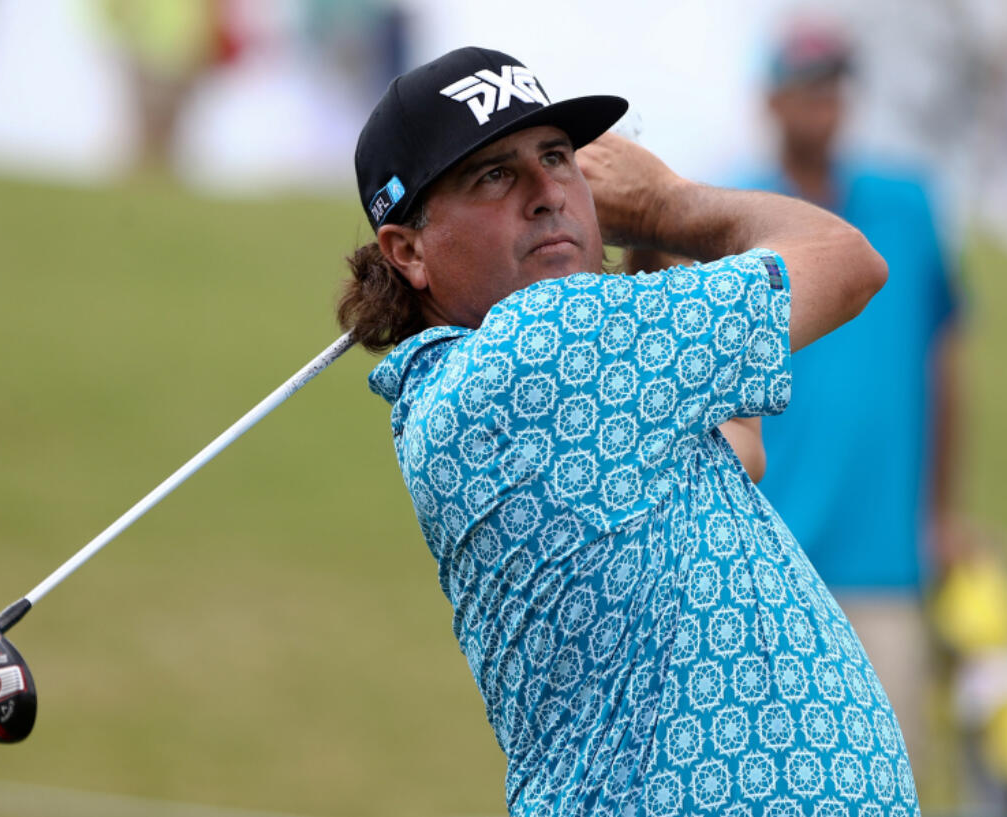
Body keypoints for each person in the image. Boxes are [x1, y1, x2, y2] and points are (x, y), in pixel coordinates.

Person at [339, 46, 915, 816]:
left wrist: (650, 257)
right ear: (408, 250)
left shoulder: (483, 382)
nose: (548, 192)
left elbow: (739, 447)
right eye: (495, 175)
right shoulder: (541, 344)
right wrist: (664, 205)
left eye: (557, 157)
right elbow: (845, 261)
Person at [732, 19, 964, 792]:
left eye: (831, 86)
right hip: (767, 554)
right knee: (765, 782)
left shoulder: (909, 209)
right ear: (770, 100)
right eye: (803, 89)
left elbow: (944, 366)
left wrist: (939, 513)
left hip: (882, 557)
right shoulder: (733, 215)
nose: (819, 105)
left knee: (885, 781)